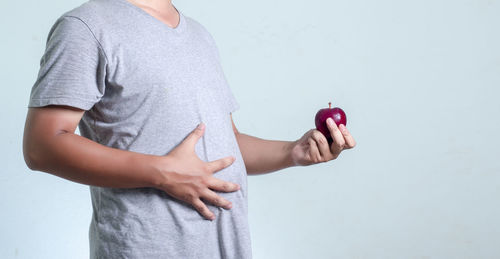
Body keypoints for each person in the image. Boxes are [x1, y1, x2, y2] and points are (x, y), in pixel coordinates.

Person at [22, 0, 356, 258]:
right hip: (148, 248)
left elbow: (227, 144)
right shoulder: (85, 26)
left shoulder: (198, 34)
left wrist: (293, 152)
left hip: (226, 246)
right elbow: (42, 146)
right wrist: (163, 173)